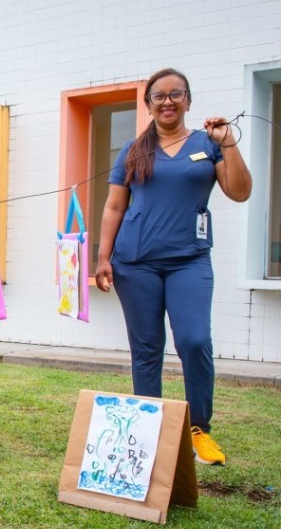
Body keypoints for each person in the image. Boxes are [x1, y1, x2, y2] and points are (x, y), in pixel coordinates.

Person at [95, 67, 251, 466]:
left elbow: (239, 191)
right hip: (135, 264)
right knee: (147, 350)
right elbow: (114, 205)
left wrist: (229, 143)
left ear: (188, 100)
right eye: (159, 96)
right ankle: (146, 434)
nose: (167, 101)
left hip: (189, 261)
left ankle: (200, 430)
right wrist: (103, 257)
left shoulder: (208, 144)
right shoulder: (134, 150)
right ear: (148, 104)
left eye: (175, 94)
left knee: (195, 341)